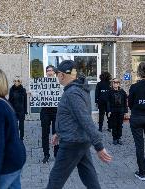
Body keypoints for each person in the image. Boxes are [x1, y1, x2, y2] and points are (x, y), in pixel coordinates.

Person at [46, 60, 112, 189]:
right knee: (88, 175)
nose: (56, 76)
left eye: (57, 73)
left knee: (55, 179)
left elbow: (85, 119)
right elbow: (72, 117)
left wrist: (99, 146)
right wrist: (59, 133)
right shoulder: (78, 89)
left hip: (72, 142)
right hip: (79, 140)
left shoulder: (72, 93)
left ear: (61, 75)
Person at [40, 65, 59, 163]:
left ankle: (56, 154)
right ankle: (46, 154)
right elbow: (37, 93)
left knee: (56, 133)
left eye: (51, 70)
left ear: (54, 72)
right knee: (45, 134)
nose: (49, 72)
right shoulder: (41, 82)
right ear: (46, 72)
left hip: (56, 111)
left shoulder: (58, 82)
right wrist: (32, 93)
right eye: (48, 70)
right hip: (45, 111)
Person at [107, 78, 128, 145]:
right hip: (113, 110)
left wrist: (126, 111)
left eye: (117, 82)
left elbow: (125, 102)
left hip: (121, 110)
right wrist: (109, 110)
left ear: (119, 84)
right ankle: (114, 139)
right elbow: (108, 102)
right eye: (114, 82)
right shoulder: (110, 92)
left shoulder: (122, 92)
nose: (115, 84)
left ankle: (119, 138)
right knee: (114, 125)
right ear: (112, 84)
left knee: (120, 125)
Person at [8, 76, 27, 140]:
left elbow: (25, 101)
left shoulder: (23, 90)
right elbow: (10, 100)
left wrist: (25, 110)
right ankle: (15, 137)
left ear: (20, 82)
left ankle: (21, 137)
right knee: (14, 124)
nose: (16, 82)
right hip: (14, 110)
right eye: (15, 81)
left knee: (21, 125)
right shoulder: (11, 89)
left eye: (18, 81)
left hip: (21, 110)